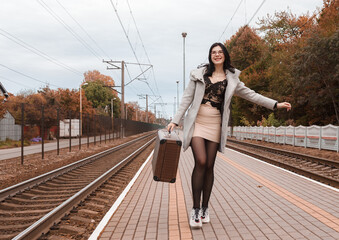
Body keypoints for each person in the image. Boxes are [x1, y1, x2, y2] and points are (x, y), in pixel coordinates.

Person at [167, 42, 291, 229]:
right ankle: (195, 209)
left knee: (209, 166)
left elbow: (252, 95)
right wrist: (175, 120)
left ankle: (205, 208)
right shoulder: (198, 74)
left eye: (220, 52)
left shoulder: (232, 79)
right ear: (210, 56)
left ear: (225, 55)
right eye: (213, 52)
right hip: (198, 123)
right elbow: (187, 98)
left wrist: (275, 104)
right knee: (200, 161)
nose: (217, 55)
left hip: (215, 125)